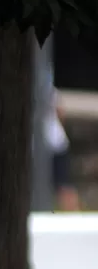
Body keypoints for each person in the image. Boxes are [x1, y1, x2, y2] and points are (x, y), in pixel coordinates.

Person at [48, 84, 81, 212]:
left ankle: (74, 216)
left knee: (63, 186)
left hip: (55, 145)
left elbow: (60, 112)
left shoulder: (46, 88)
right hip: (46, 146)